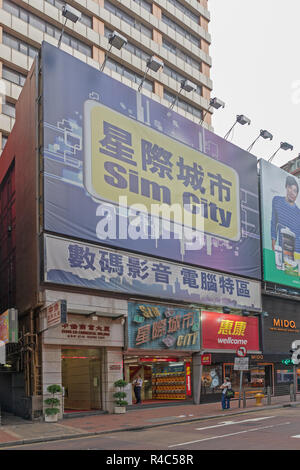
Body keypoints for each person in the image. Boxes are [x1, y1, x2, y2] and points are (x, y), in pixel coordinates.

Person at [271, 175, 300, 257]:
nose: (292, 192)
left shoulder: (298, 212)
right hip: (282, 248)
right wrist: (273, 241)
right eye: (290, 188)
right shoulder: (277, 200)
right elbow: (274, 222)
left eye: (295, 191)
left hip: (297, 252)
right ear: (286, 187)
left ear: (297, 194)